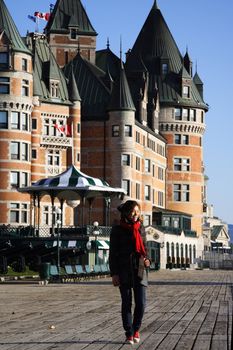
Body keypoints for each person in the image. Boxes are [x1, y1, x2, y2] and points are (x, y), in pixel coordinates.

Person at [109, 200, 150, 345]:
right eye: (133, 212)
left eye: (137, 212)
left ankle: (136, 328)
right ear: (126, 213)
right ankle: (129, 333)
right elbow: (112, 254)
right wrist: (114, 273)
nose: (135, 215)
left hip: (140, 269)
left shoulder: (141, 228)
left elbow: (145, 248)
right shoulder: (117, 229)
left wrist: (147, 260)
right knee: (126, 303)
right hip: (123, 270)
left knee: (141, 303)